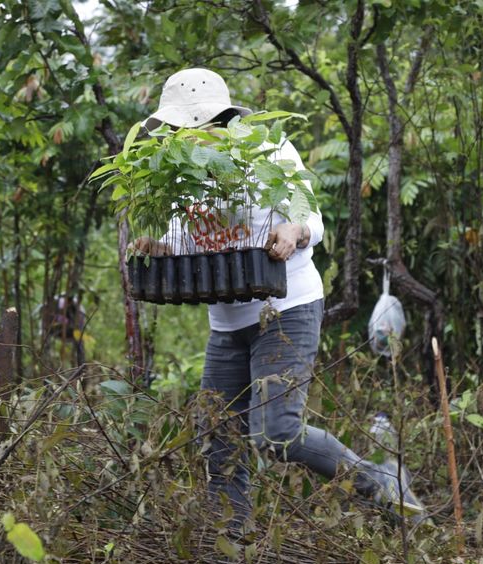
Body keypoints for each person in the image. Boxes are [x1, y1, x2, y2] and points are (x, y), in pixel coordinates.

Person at [133, 68, 424, 526]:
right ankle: (230, 544)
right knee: (219, 437)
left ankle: (381, 483)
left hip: (286, 310)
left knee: (276, 432)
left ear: (222, 118)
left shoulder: (266, 150)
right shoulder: (176, 173)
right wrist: (158, 249)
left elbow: (312, 219)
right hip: (226, 324)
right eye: (178, 128)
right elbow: (184, 244)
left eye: (195, 124)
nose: (185, 134)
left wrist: (295, 230)